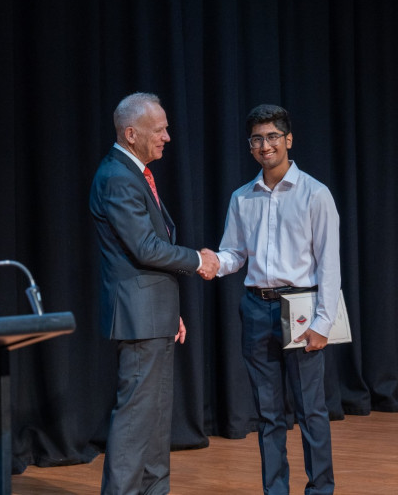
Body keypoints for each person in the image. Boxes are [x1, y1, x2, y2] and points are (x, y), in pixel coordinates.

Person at [89, 92, 218, 494]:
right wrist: (197, 259)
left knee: (156, 418)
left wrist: (168, 309)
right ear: (131, 134)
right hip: (137, 316)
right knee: (135, 420)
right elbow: (145, 248)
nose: (167, 137)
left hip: (152, 312)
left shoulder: (135, 172)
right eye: (159, 130)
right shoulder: (117, 176)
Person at [209, 104, 341, 494]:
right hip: (255, 307)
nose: (265, 146)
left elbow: (329, 264)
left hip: (300, 307)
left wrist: (323, 322)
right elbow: (234, 254)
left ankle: (320, 490)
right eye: (257, 139)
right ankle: (275, 490)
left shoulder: (315, 194)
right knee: (268, 414)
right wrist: (211, 262)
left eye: (272, 137)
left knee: (311, 410)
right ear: (249, 146)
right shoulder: (242, 197)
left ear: (288, 140)